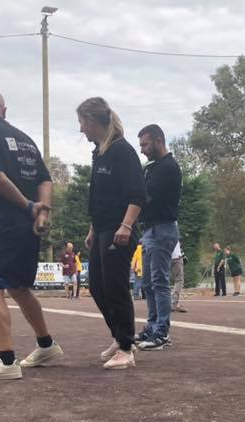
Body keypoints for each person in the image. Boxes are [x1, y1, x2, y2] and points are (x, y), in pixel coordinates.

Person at [0, 89, 61, 379]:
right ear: (4, 110)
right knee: (19, 287)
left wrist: (29, 206)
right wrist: (41, 212)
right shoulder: (26, 140)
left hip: (3, 221)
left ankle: (6, 362)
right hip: (27, 226)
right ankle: (46, 345)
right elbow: (45, 179)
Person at [78, 97, 146, 367]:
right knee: (96, 286)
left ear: (93, 121)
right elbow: (99, 197)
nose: (81, 129)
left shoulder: (122, 151)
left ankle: (127, 348)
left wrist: (126, 226)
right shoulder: (100, 152)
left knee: (115, 286)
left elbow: (137, 194)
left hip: (120, 229)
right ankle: (120, 336)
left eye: (82, 122)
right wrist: (93, 227)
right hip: (103, 228)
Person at [136, 123, 182, 350]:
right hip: (151, 230)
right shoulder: (153, 167)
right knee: (148, 282)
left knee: (159, 281)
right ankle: (153, 327)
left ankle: (161, 332)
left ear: (158, 140)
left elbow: (146, 196)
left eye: (145, 144)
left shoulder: (168, 167)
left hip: (162, 228)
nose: (142, 149)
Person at [170, 240, 187, 313]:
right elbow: (179, 247)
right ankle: (173, 303)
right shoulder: (173, 231)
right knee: (179, 280)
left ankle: (165, 303)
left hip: (167, 258)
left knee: (163, 280)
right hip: (176, 258)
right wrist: (184, 256)